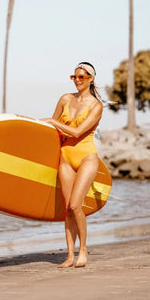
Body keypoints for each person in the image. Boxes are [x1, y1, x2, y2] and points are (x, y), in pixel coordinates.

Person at [42, 62, 103, 268]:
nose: (77, 80)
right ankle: (69, 255)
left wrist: (52, 122)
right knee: (67, 209)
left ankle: (83, 250)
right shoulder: (65, 99)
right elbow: (53, 131)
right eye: (74, 77)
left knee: (76, 205)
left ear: (91, 79)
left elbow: (76, 132)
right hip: (66, 158)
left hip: (87, 158)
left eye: (82, 77)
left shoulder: (96, 106)